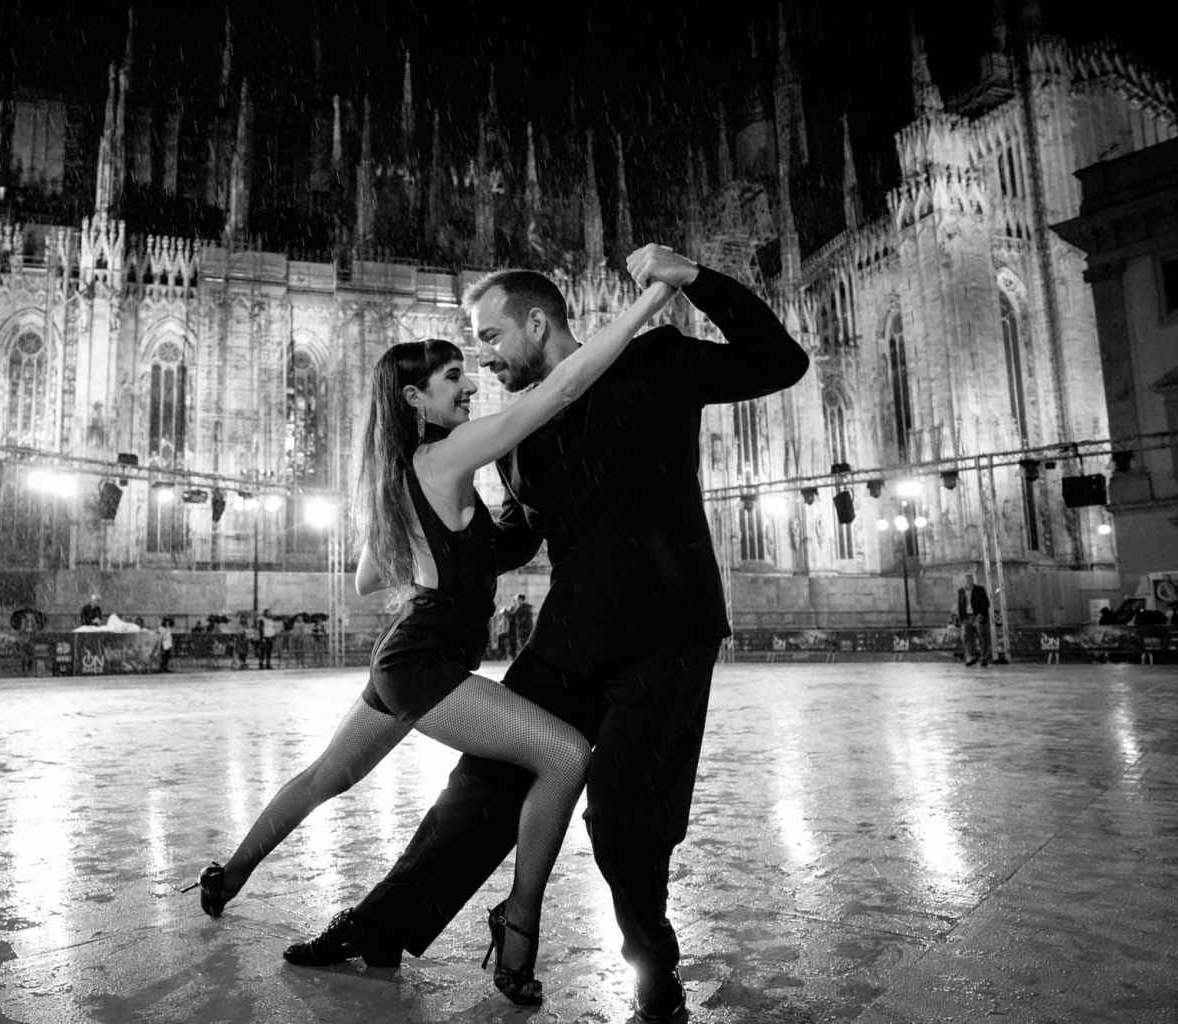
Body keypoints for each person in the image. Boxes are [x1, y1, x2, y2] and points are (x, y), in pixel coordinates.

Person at [281, 243, 809, 1024]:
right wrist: (425, 528)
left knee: (623, 817)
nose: (485, 360)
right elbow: (514, 537)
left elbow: (780, 360)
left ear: (537, 323)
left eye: (493, 337)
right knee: (482, 786)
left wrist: (696, 281)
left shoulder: (655, 363)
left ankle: (653, 968)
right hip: (572, 636)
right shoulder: (522, 439)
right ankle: (382, 924)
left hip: (666, 630)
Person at [193, 262, 676, 1006]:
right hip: (426, 665)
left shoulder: (403, 472)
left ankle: (229, 875)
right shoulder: (446, 457)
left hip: (406, 657)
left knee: (327, 777)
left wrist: (433, 564)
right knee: (564, 756)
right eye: (454, 378)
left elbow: (366, 578)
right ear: (416, 399)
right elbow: (561, 389)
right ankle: (519, 926)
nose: (471, 385)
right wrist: (652, 299)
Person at [966, 574, 991, 667]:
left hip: (977, 616)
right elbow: (960, 604)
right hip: (967, 617)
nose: (969, 581)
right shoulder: (962, 591)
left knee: (982, 637)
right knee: (968, 638)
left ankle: (984, 658)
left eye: (970, 579)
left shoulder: (979, 589)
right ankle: (972, 657)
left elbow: (986, 603)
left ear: (973, 580)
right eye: (967, 580)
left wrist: (981, 613)